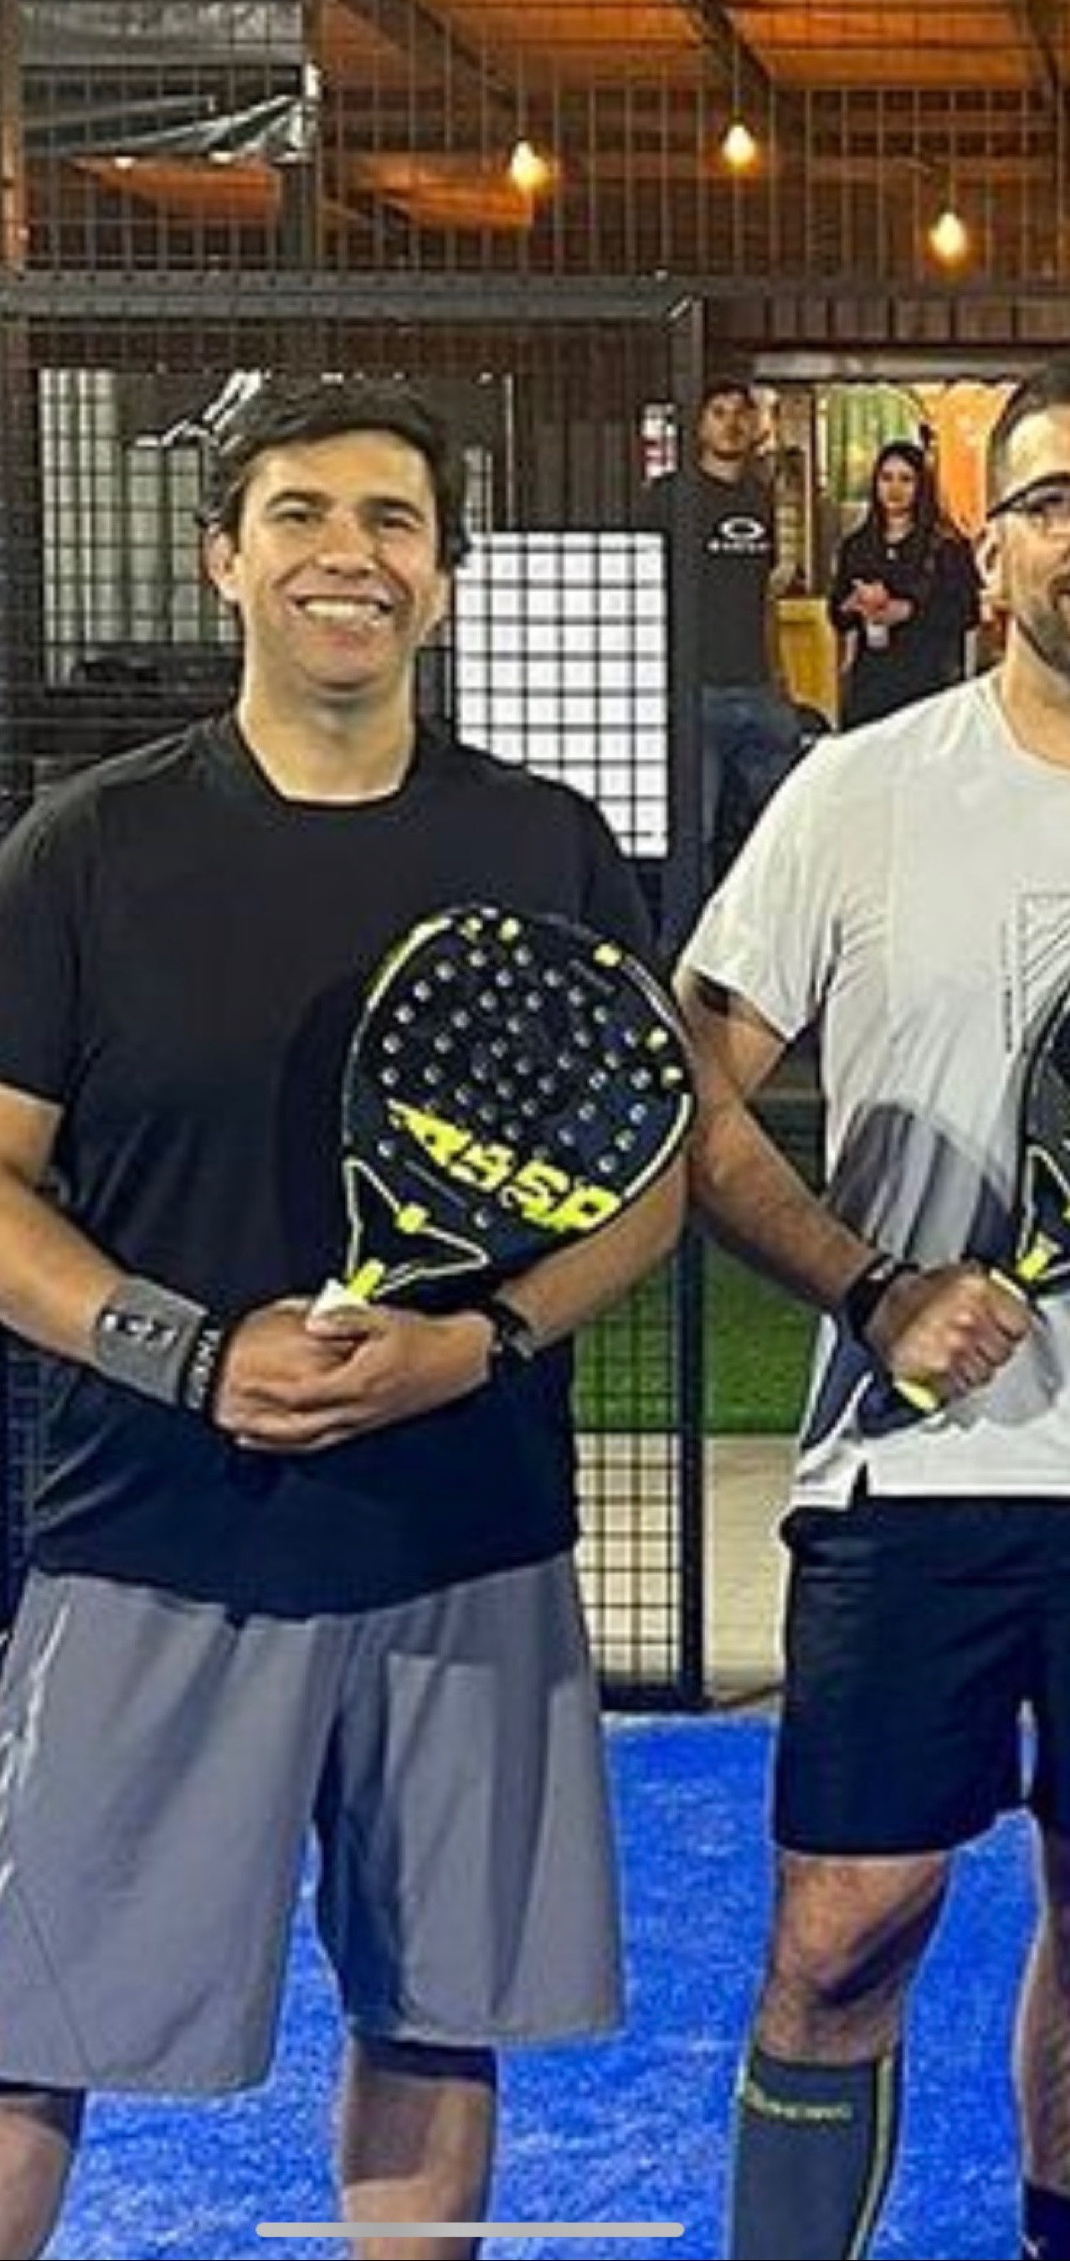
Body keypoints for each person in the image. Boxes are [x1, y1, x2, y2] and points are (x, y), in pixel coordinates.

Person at [0, 380, 686, 2261]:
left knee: (434, 2022)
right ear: (223, 561)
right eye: (303, 514)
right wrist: (188, 1353)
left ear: (443, 578)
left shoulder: (545, 844)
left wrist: (480, 1343)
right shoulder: (90, 849)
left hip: (466, 1537)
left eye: (394, 520)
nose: (351, 553)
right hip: (159, 1541)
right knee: (20, 2044)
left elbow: (645, 1179)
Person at [674, 358, 1070, 2261]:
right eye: (1055, 502)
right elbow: (691, 1089)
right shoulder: (857, 791)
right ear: (992, 553)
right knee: (842, 1933)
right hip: (911, 1482)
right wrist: (876, 1285)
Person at [637, 377, 799, 882]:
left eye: (740, 413)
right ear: (699, 424)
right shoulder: (670, 496)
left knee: (785, 827)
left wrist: (780, 678)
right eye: (719, 413)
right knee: (695, 833)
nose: (731, 424)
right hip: (693, 687)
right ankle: (690, 928)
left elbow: (766, 595)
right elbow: (642, 582)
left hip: (757, 684)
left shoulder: (761, 498)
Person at [828, 437, 981, 728]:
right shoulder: (857, 546)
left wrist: (907, 611)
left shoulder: (945, 545)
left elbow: (967, 611)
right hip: (871, 687)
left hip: (928, 685)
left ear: (921, 486)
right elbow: (837, 614)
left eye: (905, 479)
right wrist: (853, 605)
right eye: (886, 478)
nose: (894, 489)